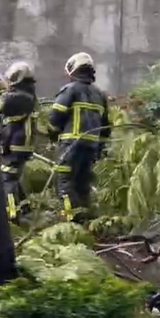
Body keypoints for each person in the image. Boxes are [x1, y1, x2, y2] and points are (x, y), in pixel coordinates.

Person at [47, 52, 111, 224]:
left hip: (71, 146)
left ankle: (71, 221)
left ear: (73, 69)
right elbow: (106, 128)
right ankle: (87, 220)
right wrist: (99, 149)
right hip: (90, 148)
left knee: (64, 183)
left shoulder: (70, 90)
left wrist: (52, 136)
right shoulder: (99, 95)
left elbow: (54, 118)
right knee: (82, 185)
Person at [0, 61, 38, 224]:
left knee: (7, 178)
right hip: (18, 143)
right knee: (13, 176)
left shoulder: (19, 96)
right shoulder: (26, 94)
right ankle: (25, 209)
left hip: (16, 143)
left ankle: (12, 214)